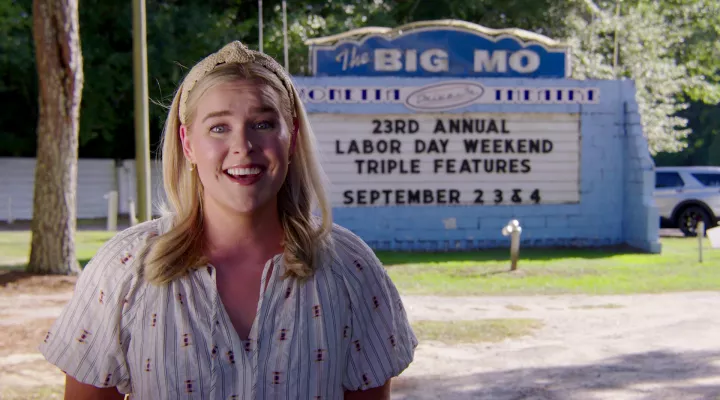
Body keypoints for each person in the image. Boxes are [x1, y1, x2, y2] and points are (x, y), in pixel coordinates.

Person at [39, 41, 417, 400]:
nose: (243, 146)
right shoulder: (123, 268)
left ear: (293, 137)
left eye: (264, 124)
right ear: (188, 144)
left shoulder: (350, 268)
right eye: (219, 127)